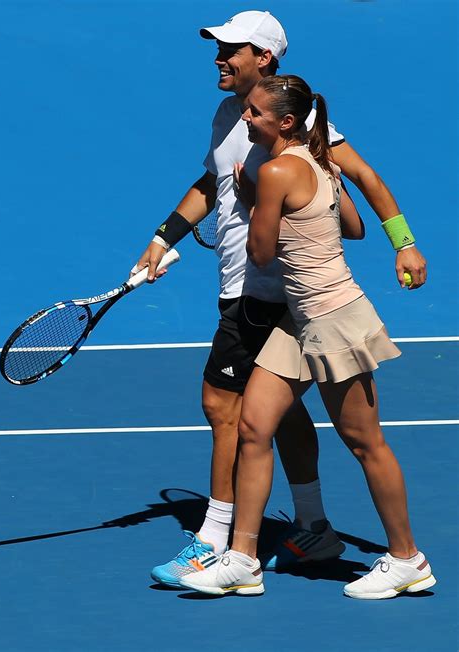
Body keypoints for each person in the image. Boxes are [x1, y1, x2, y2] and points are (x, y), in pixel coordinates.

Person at [135, 11, 427, 587]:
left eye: (231, 49)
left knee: (227, 408)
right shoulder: (230, 114)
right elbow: (210, 182)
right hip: (255, 291)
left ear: (264, 57)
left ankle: (215, 541)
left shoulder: (297, 122)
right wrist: (164, 235)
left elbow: (358, 178)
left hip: (278, 293)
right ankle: (308, 529)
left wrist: (405, 242)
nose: (220, 57)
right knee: (274, 416)